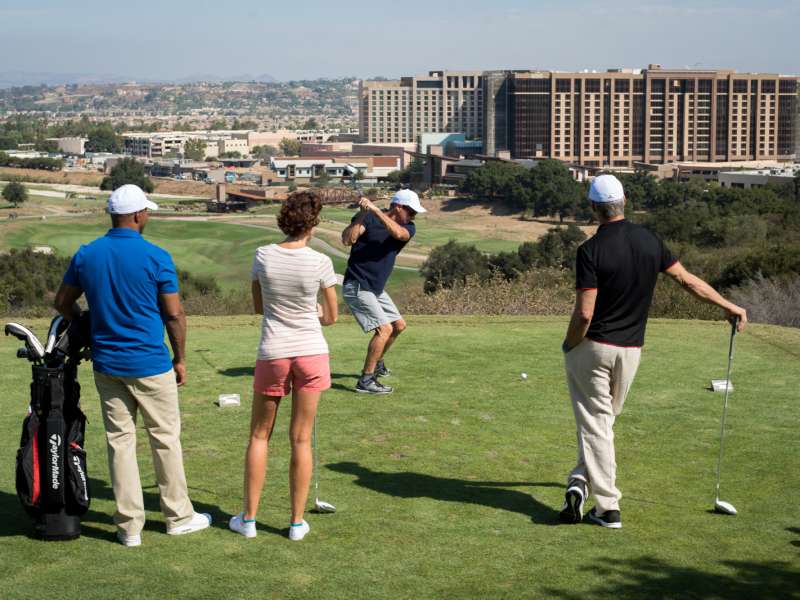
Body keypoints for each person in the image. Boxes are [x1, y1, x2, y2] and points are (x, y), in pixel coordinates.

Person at [558, 174, 747, 529]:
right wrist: (728, 305)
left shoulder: (589, 250)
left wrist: (570, 344)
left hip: (594, 348)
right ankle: (579, 482)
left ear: (592, 209)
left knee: (597, 425)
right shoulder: (649, 240)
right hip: (631, 351)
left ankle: (607, 508)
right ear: (624, 201)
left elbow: (585, 312)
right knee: (603, 423)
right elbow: (688, 281)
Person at [53, 184, 211, 547]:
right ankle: (178, 517)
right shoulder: (156, 256)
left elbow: (63, 302)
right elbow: (173, 314)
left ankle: (129, 529)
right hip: (151, 364)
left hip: (107, 363)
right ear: (139, 215)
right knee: (165, 439)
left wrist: (84, 326)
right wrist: (181, 358)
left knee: (120, 442)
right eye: (147, 212)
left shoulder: (87, 254)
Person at [229, 191, 338, 541]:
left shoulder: (263, 255)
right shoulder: (321, 262)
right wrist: (313, 312)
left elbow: (260, 307)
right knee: (301, 439)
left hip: (273, 352)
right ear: (313, 222)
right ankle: (295, 524)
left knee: (260, 435)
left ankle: (248, 520)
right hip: (311, 352)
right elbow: (331, 317)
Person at [341, 189, 425, 394]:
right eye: (411, 211)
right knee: (384, 329)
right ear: (399, 207)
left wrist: (375, 210)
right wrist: (363, 213)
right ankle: (366, 380)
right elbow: (347, 240)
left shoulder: (408, 228)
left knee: (398, 325)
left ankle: (377, 363)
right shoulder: (367, 218)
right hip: (357, 284)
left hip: (375, 288)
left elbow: (398, 234)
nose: (413, 216)